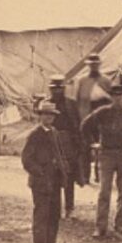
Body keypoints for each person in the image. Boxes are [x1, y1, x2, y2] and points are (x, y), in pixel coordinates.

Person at [80, 83, 122, 238]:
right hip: (106, 154)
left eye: (121, 95)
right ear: (111, 97)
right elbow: (85, 126)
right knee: (104, 191)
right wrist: (92, 144)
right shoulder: (102, 112)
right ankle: (101, 227)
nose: (118, 98)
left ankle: (120, 224)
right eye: (115, 95)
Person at [22, 102, 69, 243]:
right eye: (46, 114)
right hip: (41, 180)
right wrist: (40, 172)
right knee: (42, 212)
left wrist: (63, 169)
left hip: (55, 179)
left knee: (54, 211)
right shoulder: (35, 134)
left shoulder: (54, 132)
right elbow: (27, 159)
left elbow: (60, 153)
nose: (49, 117)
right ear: (40, 116)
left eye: (51, 115)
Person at [46, 75, 85, 218]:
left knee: (69, 175)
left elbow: (78, 124)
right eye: (54, 89)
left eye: (59, 88)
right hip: (51, 141)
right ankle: (53, 207)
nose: (57, 91)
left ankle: (69, 207)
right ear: (50, 89)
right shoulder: (46, 104)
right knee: (52, 173)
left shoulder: (71, 104)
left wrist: (79, 144)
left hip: (68, 142)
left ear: (63, 89)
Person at [74, 53, 112, 182]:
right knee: (85, 146)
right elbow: (77, 100)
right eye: (91, 65)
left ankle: (99, 175)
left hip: (102, 118)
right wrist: (79, 118)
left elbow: (112, 100)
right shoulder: (82, 81)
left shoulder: (106, 80)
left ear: (99, 65)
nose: (94, 67)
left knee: (102, 146)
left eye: (96, 64)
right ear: (88, 66)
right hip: (86, 116)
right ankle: (85, 175)